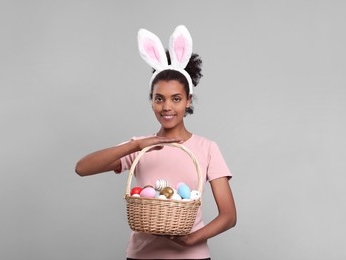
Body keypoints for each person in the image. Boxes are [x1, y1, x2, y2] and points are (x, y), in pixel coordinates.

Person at [75, 25, 236, 260]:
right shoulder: (141, 146)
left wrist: (191, 239)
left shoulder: (207, 148)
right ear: (151, 101)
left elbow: (229, 216)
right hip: (141, 256)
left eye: (176, 99)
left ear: (188, 101)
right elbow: (82, 168)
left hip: (192, 256)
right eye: (159, 99)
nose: (167, 107)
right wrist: (135, 146)